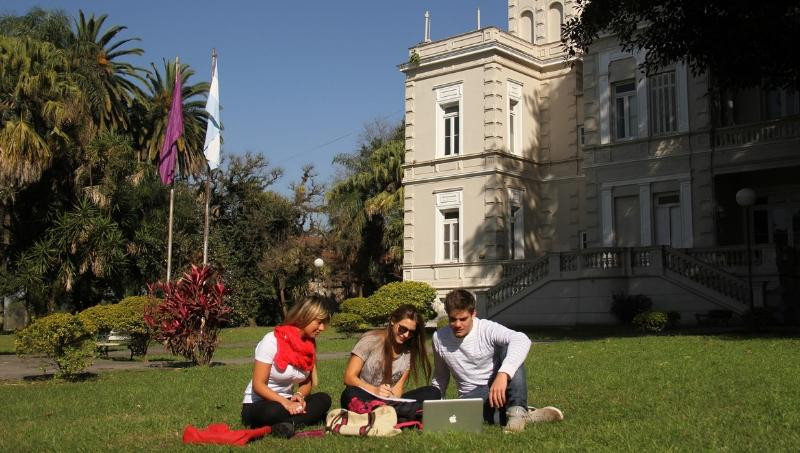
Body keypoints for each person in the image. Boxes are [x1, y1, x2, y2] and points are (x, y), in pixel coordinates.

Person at [431, 289, 563, 433]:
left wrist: (503, 374)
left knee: (509, 348)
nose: (457, 325)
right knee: (464, 419)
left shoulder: (486, 328)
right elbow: (441, 376)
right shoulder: (439, 338)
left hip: (499, 386)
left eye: (463, 319)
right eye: (452, 319)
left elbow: (521, 339)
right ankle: (526, 416)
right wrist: (437, 406)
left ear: (473, 314)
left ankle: (517, 412)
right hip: (471, 396)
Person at [241, 297, 332, 437]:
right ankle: (304, 419)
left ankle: (286, 425)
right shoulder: (272, 340)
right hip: (260, 404)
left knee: (324, 399)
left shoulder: (310, 345)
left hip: (288, 401)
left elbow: (307, 382)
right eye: (319, 322)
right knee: (272, 411)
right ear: (304, 317)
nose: (322, 328)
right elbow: (258, 385)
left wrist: (299, 395)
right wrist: (286, 403)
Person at [340, 304, 440, 415]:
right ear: (393, 321)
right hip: (365, 395)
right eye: (402, 329)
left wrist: (392, 397)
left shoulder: (409, 352)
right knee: (349, 394)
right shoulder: (370, 341)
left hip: (390, 401)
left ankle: (383, 412)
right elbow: (349, 378)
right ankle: (403, 412)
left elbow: (397, 390)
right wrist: (375, 390)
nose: (406, 335)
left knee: (433, 392)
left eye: (411, 332)